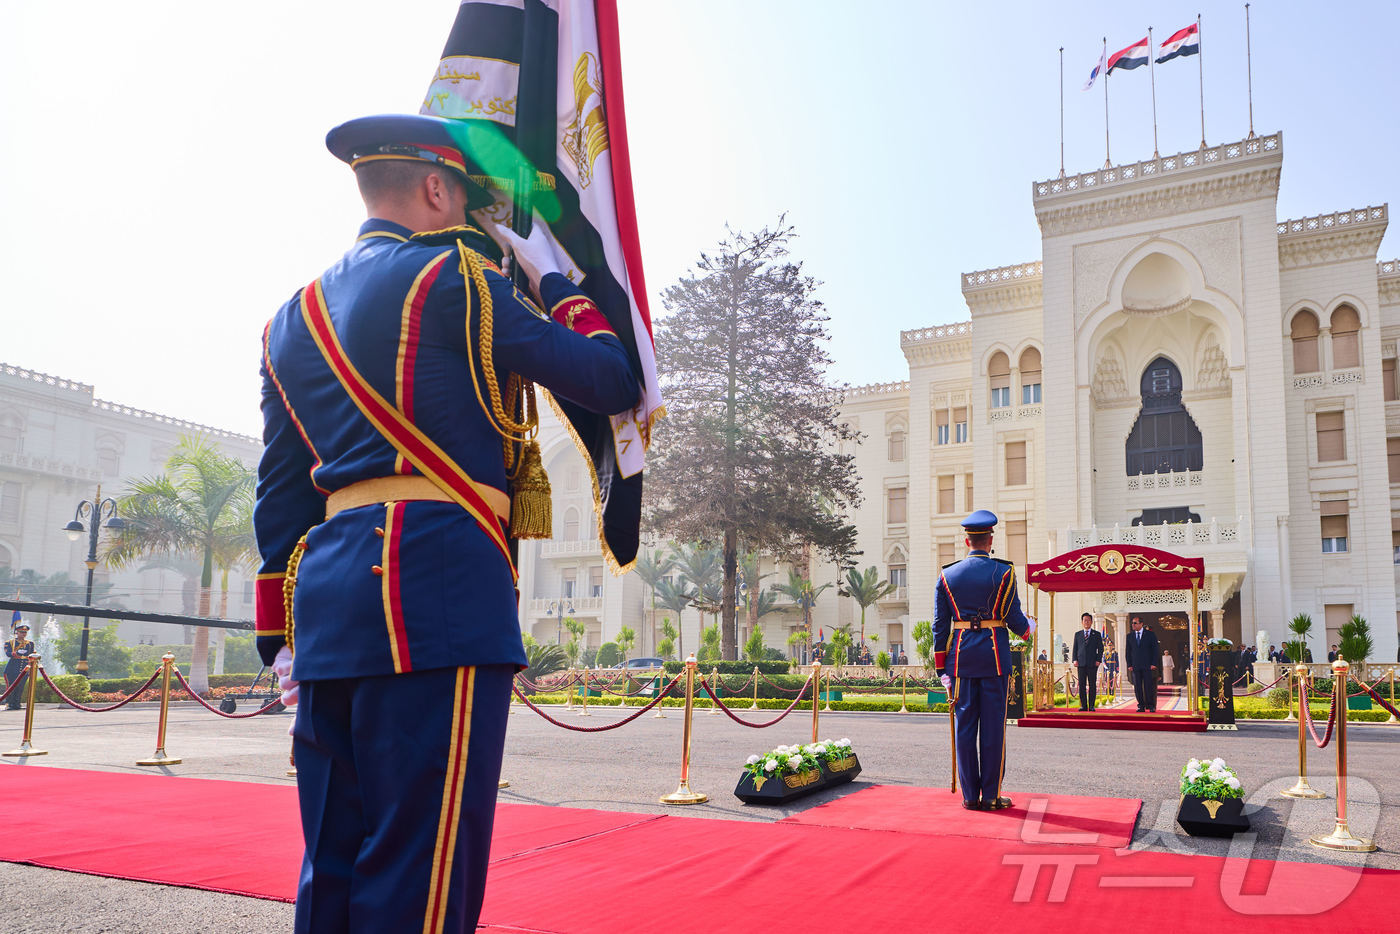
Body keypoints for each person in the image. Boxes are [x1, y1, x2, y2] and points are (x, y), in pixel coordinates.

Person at [253, 113, 640, 934]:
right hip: (435, 596)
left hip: (324, 613)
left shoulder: (290, 319)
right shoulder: (462, 280)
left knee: (331, 864)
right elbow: (610, 379)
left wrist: (280, 641)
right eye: (466, 200)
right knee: (421, 875)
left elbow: (280, 496)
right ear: (436, 188)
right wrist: (555, 282)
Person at [933, 510, 1034, 811]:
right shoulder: (1004, 572)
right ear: (990, 540)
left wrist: (941, 667)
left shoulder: (947, 575)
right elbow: (1015, 619)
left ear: (967, 541)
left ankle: (968, 796)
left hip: (960, 660)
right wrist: (1028, 630)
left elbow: (940, 626)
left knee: (965, 727)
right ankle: (990, 795)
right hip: (994, 659)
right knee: (993, 727)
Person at [1124, 616, 1160, 712]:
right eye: (1132, 623)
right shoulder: (1129, 636)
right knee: (1137, 686)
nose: (1133, 625)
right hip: (1135, 666)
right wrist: (1129, 664)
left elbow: (1155, 650)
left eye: (1135, 623)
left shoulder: (1150, 635)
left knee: (1149, 686)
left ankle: (1151, 705)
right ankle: (1141, 705)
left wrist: (1153, 663)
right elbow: (1128, 651)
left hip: (1148, 665)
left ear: (1141, 624)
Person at [1072, 613, 1103, 711]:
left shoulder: (1096, 634)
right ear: (1082, 622)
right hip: (1080, 663)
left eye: (1088, 620)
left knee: (1092, 685)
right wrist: (1074, 659)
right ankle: (1084, 706)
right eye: (1085, 620)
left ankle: (1092, 705)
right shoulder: (1078, 634)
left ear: (1091, 622)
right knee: (1081, 685)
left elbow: (1100, 649)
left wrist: (1098, 660)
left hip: (1092, 663)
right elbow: (1075, 648)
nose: (1086, 622)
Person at [4, 623, 35, 710]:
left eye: (25, 632)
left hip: (24, 668)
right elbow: (7, 653)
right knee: (12, 686)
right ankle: (10, 704)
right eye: (21, 632)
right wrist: (13, 653)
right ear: (17, 632)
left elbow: (31, 655)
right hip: (13, 668)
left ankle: (17, 704)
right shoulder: (10, 642)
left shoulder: (30, 643)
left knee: (21, 686)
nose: (23, 634)